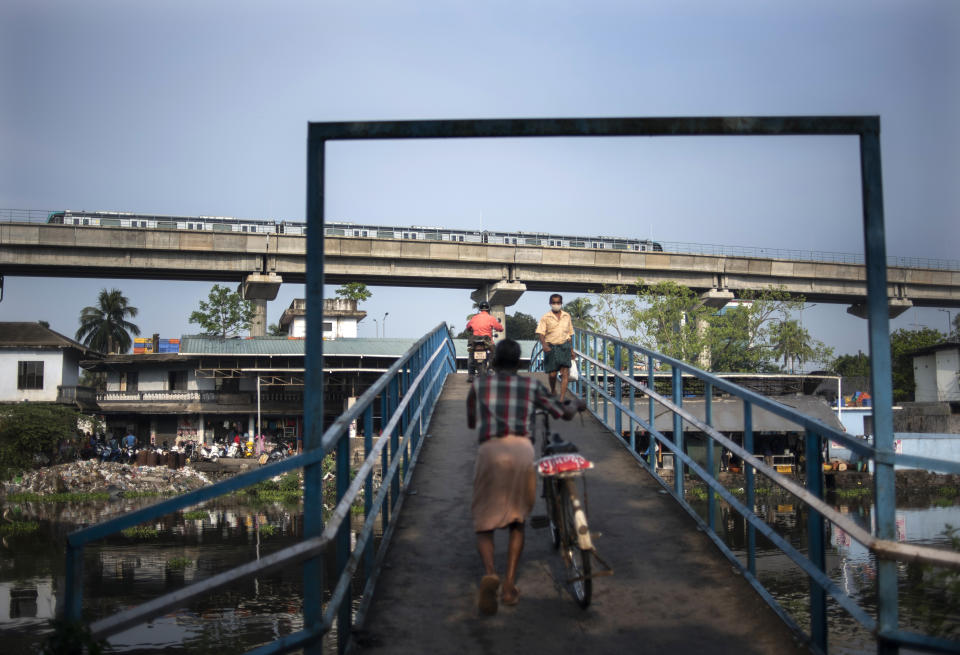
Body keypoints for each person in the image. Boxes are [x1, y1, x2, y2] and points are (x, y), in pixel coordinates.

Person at [466, 338, 584, 615]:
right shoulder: (530, 386)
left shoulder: (480, 385)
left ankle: (490, 573)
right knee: (517, 521)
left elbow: (472, 421)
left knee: (484, 521)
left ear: (494, 362)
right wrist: (574, 407)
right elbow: (561, 413)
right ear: (520, 363)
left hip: (490, 451)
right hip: (521, 451)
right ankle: (508, 586)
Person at [535, 293, 575, 401]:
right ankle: (553, 390)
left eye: (558, 302)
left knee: (565, 373)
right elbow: (541, 333)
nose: (556, 304)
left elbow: (570, 334)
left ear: (561, 303)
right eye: (554, 302)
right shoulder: (545, 317)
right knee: (552, 374)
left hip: (565, 346)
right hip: (551, 347)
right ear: (550, 303)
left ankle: (561, 398)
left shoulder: (567, 316)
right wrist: (544, 345)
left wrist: (571, 350)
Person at [465, 301, 504, 382]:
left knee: (471, 355)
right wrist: (500, 329)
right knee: (494, 353)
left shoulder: (474, 318)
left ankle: (471, 375)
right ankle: (490, 368)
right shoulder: (491, 318)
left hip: (475, 340)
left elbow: (468, 327)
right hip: (487, 340)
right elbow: (500, 328)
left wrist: (471, 329)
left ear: (480, 309)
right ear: (488, 309)